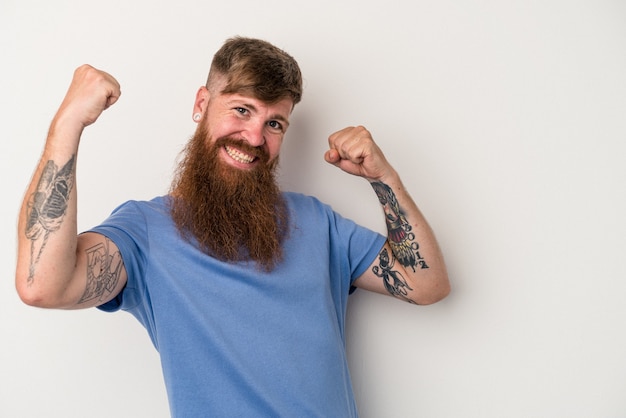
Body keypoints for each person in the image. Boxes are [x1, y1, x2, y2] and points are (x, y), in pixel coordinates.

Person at [16, 37, 450, 417]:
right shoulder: (144, 232)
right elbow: (42, 285)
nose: (255, 137)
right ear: (201, 104)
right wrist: (68, 123)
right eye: (241, 110)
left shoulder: (317, 223)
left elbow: (426, 284)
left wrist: (384, 179)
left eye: (274, 123)